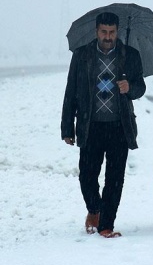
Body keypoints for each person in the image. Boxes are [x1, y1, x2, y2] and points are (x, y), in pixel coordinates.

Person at [61, 12, 146, 238]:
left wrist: (131, 87)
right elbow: (71, 92)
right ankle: (94, 209)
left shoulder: (131, 56)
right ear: (96, 31)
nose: (108, 37)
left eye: (112, 32)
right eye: (104, 32)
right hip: (91, 126)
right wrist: (67, 128)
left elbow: (141, 87)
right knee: (87, 176)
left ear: (117, 32)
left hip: (120, 126)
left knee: (115, 179)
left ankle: (106, 224)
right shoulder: (82, 56)